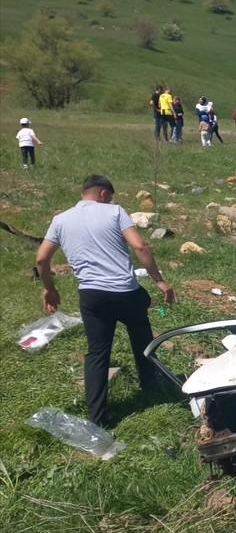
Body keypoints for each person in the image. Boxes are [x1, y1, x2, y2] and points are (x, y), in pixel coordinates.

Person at [34, 175, 175, 428]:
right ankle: (149, 382)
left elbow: (42, 259)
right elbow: (139, 246)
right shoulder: (114, 211)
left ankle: (97, 417)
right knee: (141, 334)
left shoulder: (60, 219)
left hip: (91, 295)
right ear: (102, 194)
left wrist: (50, 290)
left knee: (97, 352)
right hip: (124, 290)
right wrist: (160, 281)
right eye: (108, 197)